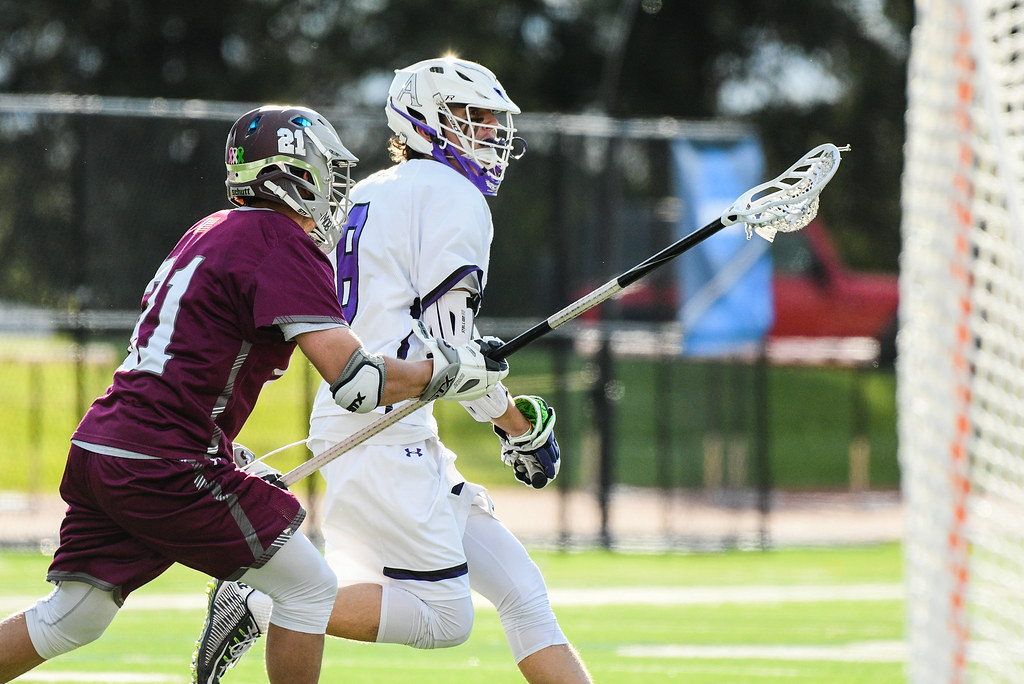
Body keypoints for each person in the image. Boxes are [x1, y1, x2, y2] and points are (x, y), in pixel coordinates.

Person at [0, 103, 508, 684]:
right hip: (164, 458)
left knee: (73, 618)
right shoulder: (277, 240)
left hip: (106, 446)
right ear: (289, 171)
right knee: (309, 588)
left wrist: (223, 451)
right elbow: (358, 382)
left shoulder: (211, 228)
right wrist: (440, 369)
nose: (334, 184)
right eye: (325, 168)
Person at [193, 58, 593, 684]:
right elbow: (451, 349)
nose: (490, 133)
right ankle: (261, 602)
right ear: (428, 120)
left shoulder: (373, 190)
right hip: (385, 422)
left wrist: (509, 420)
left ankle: (273, 601)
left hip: (379, 415)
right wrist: (516, 426)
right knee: (442, 617)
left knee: (522, 592)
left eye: (494, 122)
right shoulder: (454, 196)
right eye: (474, 119)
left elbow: (431, 346)